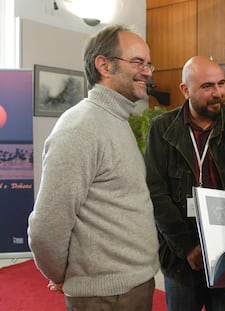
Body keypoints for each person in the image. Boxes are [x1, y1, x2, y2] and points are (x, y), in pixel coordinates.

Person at [27, 24, 160, 311]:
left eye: (149, 64)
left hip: (131, 285)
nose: (148, 72)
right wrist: (64, 274)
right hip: (106, 296)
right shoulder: (80, 127)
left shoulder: (116, 119)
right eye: (137, 62)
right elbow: (46, 227)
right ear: (104, 65)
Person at [144, 56, 225, 311]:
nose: (218, 93)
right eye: (207, 86)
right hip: (180, 254)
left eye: (221, 84)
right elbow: (156, 193)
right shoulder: (162, 128)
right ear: (185, 90)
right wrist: (187, 246)